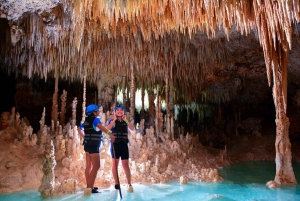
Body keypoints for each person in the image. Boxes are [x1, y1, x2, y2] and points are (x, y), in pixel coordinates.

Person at [78, 104, 116, 193]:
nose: (99, 112)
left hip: (87, 145)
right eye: (98, 110)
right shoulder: (96, 120)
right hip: (93, 146)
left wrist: (85, 137)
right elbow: (101, 128)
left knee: (89, 166)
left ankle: (89, 186)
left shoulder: (86, 121)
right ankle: (89, 188)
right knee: (96, 166)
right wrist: (110, 134)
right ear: (94, 112)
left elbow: (79, 128)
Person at [106, 104, 135, 193]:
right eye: (117, 110)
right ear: (115, 112)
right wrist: (114, 120)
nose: (119, 111)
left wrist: (126, 121)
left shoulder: (125, 121)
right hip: (115, 145)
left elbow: (132, 128)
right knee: (115, 164)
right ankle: (116, 183)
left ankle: (129, 183)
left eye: (120, 110)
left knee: (125, 165)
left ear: (123, 112)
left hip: (124, 145)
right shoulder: (112, 121)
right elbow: (107, 129)